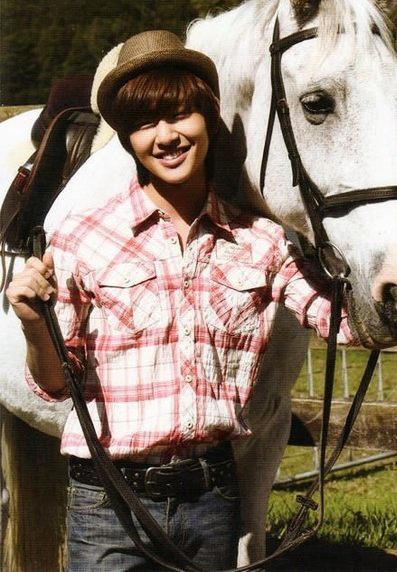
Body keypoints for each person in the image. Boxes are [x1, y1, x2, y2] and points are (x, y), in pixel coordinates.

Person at [6, 30, 356, 572]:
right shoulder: (81, 237)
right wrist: (33, 322)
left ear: (209, 119)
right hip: (107, 504)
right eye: (145, 123)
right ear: (128, 139)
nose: (166, 136)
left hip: (211, 501)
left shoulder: (262, 241)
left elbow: (343, 323)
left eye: (180, 115)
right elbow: (55, 384)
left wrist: (389, 262)